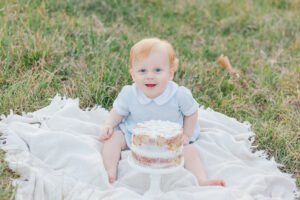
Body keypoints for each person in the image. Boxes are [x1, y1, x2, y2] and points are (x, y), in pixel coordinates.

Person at [99, 38, 226, 187]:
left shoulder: (178, 95)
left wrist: (186, 134)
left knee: (190, 151)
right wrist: (108, 125)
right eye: (142, 71)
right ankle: (109, 171)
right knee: (113, 139)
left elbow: (191, 113)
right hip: (135, 136)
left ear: (170, 73)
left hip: (171, 141)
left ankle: (202, 179)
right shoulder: (129, 94)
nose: (150, 76)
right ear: (133, 75)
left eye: (158, 70)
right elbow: (118, 112)